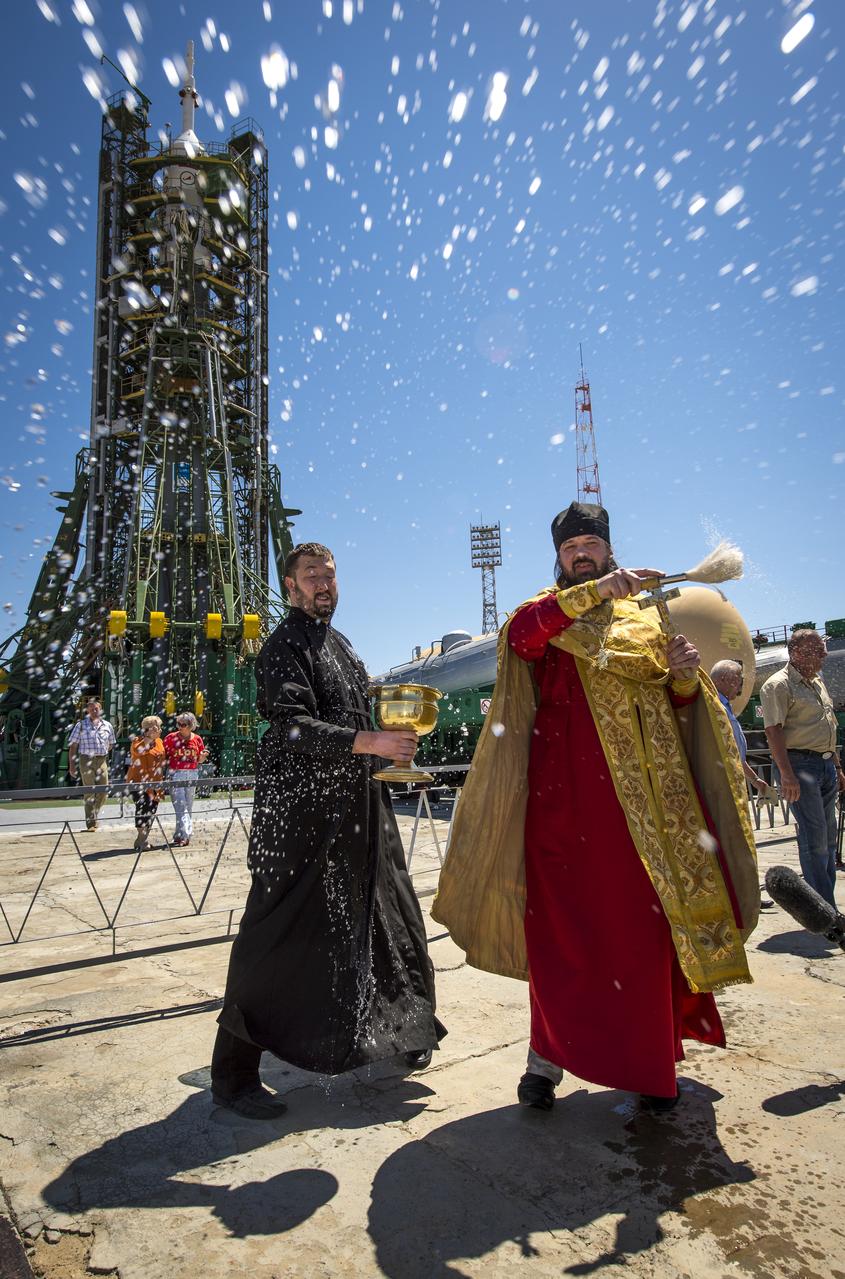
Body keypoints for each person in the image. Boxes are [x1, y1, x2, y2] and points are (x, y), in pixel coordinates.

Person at [432, 502, 759, 1113]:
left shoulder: (647, 616)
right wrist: (593, 593)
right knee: (563, 942)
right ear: (558, 557)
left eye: (591, 544)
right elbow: (521, 638)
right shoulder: (548, 614)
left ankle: (649, 1065)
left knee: (640, 941)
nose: (581, 553)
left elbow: (680, 706)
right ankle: (545, 1061)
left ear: (609, 548)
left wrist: (686, 676)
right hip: (566, 813)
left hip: (652, 819)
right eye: (570, 547)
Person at [210, 542, 445, 1120]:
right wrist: (368, 742)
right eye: (310, 576)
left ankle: (402, 1029)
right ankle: (233, 1076)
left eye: (330, 575)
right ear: (289, 586)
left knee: (388, 920)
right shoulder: (282, 646)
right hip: (302, 824)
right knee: (278, 943)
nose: (323, 584)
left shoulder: (340, 646)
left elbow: (355, 719)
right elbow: (288, 728)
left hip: (359, 815)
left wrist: (391, 745)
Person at [761, 629, 844, 908]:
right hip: (799, 765)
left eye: (822, 649)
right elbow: (773, 731)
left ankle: (825, 903)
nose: (823, 655)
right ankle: (823, 908)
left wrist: (836, 766)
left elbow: (827, 726)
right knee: (814, 837)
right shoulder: (778, 685)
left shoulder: (817, 681)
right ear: (796, 652)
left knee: (828, 837)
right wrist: (786, 774)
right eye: (817, 650)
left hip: (824, 765)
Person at [710, 660, 771, 797]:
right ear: (723, 679)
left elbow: (736, 755)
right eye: (739, 682)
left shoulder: (724, 706)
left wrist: (755, 780)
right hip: (722, 782)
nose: (739, 688)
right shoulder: (714, 706)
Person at [68, 699, 117, 831]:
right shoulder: (81, 725)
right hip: (86, 759)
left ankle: (94, 813)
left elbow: (111, 743)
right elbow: (73, 746)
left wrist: (102, 750)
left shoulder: (107, 725)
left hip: (101, 759)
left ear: (100, 710)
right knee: (89, 790)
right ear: (87, 711)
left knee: (104, 790)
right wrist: (72, 765)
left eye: (96, 709)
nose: (94, 711)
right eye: (91, 709)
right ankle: (91, 823)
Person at [162, 712, 207, 847]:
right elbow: (164, 756)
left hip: (192, 773)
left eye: (184, 724)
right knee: (180, 805)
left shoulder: (197, 739)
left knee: (188, 806)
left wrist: (203, 757)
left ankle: (179, 833)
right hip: (176, 773)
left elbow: (199, 759)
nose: (180, 727)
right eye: (179, 724)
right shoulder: (170, 738)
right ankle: (186, 834)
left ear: (191, 725)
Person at [125, 716, 166, 851]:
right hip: (138, 782)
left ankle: (141, 840)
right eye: (158, 727)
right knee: (143, 807)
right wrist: (149, 737)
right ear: (149, 730)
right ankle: (142, 840)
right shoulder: (137, 742)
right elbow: (139, 751)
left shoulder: (160, 742)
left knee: (152, 810)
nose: (160, 730)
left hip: (155, 783)